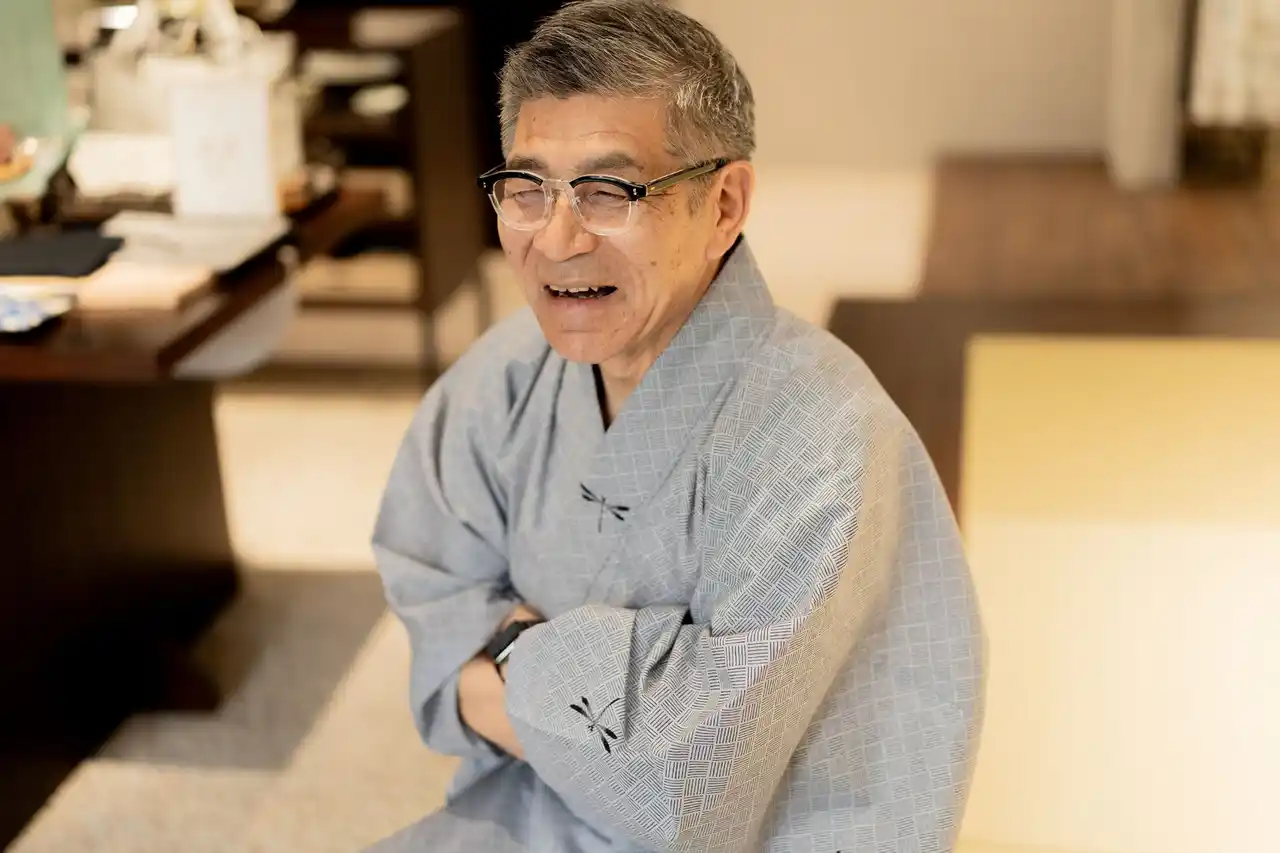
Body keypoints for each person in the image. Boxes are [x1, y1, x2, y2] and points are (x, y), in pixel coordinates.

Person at [368, 2, 985, 851]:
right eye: (528, 188)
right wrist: (614, 696)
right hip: (527, 803)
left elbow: (684, 789)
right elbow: (434, 603)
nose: (557, 238)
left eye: (608, 191)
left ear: (724, 204)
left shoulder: (823, 443)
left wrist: (508, 646)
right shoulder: (502, 379)